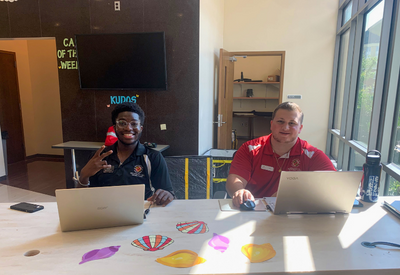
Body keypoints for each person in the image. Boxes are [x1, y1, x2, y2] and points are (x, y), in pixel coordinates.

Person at [226, 102, 335, 207]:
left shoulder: (312, 155)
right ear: (272, 124)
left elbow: (334, 184)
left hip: (293, 213)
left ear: (300, 128)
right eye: (280, 121)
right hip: (254, 210)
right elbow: (235, 179)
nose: (285, 127)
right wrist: (239, 191)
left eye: (292, 123)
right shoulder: (250, 148)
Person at [76, 102, 175, 206]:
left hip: (141, 213)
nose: (128, 128)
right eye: (122, 123)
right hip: (105, 213)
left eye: (134, 123)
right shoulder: (100, 157)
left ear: (141, 128)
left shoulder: (152, 157)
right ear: (114, 128)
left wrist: (167, 195)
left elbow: (168, 193)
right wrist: (83, 176)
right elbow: (83, 200)